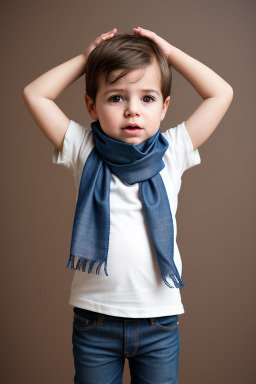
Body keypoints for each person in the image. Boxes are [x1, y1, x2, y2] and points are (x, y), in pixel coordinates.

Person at [23, 27, 233, 384]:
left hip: (159, 323)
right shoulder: (83, 149)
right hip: (95, 320)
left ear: (165, 107)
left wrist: (170, 54)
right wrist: (86, 60)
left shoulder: (173, 151)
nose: (133, 110)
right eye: (116, 98)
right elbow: (36, 94)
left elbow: (221, 93)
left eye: (148, 98)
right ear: (92, 105)